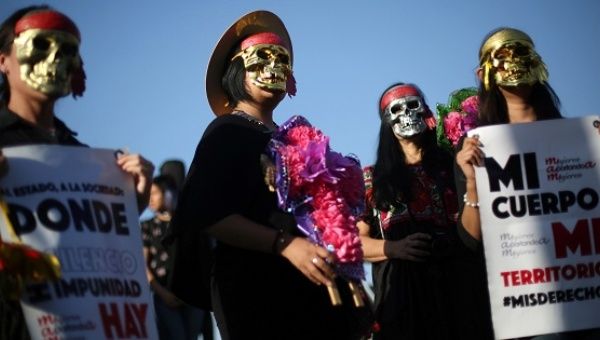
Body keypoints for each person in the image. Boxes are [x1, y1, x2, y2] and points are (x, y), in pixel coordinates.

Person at [164, 10, 370, 340]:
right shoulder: (225, 131)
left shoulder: (298, 136)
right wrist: (284, 245)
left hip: (315, 293)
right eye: (261, 59)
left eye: (282, 60)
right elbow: (207, 214)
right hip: (257, 291)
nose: (273, 68)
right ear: (237, 70)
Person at [0, 6, 154, 339]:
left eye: (68, 49)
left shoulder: (83, 159)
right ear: (4, 61)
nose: (55, 58)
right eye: (40, 44)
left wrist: (131, 204)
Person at [456, 27, 600, 340]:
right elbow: (471, 239)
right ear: (484, 73)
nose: (515, 62)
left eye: (522, 52)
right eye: (503, 56)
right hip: (525, 308)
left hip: (585, 297)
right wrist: (472, 183)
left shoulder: (580, 139)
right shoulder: (477, 148)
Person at [357, 82, 489, 339]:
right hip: (405, 299)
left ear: (426, 111)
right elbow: (354, 242)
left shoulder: (456, 167)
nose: (407, 113)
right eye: (397, 109)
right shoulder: (372, 179)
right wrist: (394, 248)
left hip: (461, 287)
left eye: (414, 105)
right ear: (387, 123)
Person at [141, 175, 205, 340]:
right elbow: (143, 265)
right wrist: (163, 293)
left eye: (154, 193)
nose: (150, 199)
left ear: (168, 193)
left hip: (192, 295)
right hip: (164, 294)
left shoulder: (188, 222)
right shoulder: (147, 226)